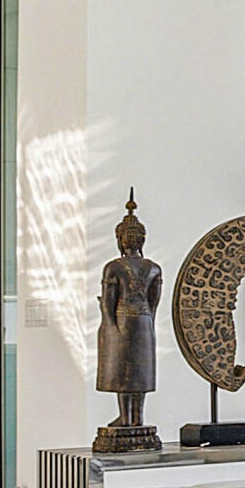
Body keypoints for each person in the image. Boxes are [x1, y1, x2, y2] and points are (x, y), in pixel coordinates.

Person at [92, 194, 163, 454]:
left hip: (122, 319)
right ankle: (136, 419)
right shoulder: (153, 268)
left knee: (124, 371)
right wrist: (149, 323)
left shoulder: (114, 267)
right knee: (138, 372)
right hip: (144, 320)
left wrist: (110, 326)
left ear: (121, 239)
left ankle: (126, 417)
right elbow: (154, 302)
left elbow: (108, 303)